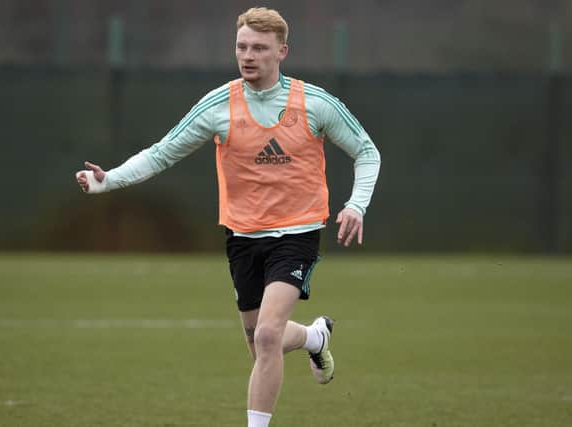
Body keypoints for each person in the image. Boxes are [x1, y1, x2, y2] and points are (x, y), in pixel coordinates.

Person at [76, 6, 380, 427]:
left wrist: (356, 204)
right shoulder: (218, 105)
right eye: (242, 46)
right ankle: (314, 336)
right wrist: (108, 180)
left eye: (259, 47)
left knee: (270, 335)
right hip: (242, 235)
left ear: (282, 52)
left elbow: (367, 151)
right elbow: (163, 153)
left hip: (297, 233)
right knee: (260, 341)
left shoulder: (314, 103)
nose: (248, 55)